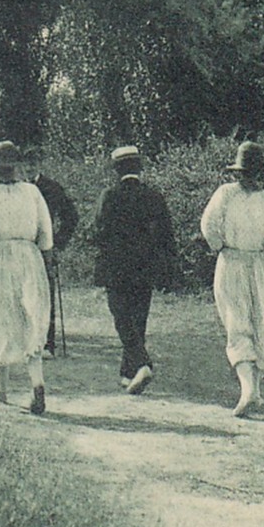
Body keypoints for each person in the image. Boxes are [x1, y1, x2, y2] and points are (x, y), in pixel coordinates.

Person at [200, 141, 264, 417]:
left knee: (254, 324)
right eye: (245, 173)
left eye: (251, 172)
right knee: (240, 324)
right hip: (237, 263)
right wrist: (222, 246)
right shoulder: (228, 195)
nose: (247, 178)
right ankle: (250, 389)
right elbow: (210, 225)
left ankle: (250, 390)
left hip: (252, 265)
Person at [0, 140, 55, 415]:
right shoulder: (33, 192)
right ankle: (36, 383)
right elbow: (46, 234)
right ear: (16, 167)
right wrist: (46, 270)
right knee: (31, 318)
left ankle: (0, 389)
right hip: (29, 258)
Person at [87, 144, 177, 395]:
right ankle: (129, 373)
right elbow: (167, 237)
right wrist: (166, 268)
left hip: (116, 269)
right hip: (145, 268)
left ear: (116, 170)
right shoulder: (154, 197)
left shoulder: (109, 196)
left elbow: (97, 232)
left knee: (122, 318)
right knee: (139, 319)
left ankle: (142, 364)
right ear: (139, 168)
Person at [31, 165, 79, 355]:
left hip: (44, 249)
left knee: (45, 294)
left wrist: (57, 243)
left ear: (38, 163)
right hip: (17, 247)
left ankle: (47, 343)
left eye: (31, 162)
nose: (27, 167)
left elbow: (71, 217)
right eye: (24, 162)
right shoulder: (13, 188)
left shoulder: (51, 187)